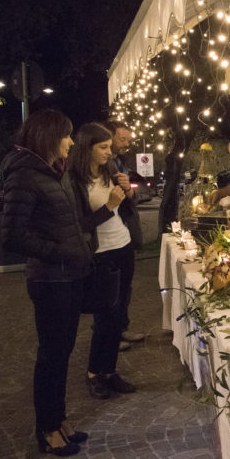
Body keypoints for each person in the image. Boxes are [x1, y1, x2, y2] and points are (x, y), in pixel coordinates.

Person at [0, 109, 93, 456]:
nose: (71, 142)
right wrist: (61, 253)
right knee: (51, 355)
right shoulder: (24, 174)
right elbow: (12, 235)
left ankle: (59, 419)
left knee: (63, 352)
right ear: (49, 137)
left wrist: (82, 247)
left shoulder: (55, 172)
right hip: (51, 280)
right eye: (66, 135)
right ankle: (47, 430)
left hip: (69, 278)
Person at [68, 122, 138, 400]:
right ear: (87, 148)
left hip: (123, 247)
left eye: (110, 146)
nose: (110, 152)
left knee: (119, 315)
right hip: (101, 254)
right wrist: (109, 206)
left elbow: (127, 207)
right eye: (104, 147)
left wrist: (127, 193)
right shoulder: (74, 182)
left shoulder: (110, 171)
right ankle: (94, 373)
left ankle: (110, 371)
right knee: (105, 316)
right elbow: (81, 226)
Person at [104, 120, 145, 349]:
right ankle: (112, 334)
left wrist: (129, 189)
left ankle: (122, 328)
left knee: (125, 285)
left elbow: (131, 197)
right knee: (113, 289)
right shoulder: (102, 165)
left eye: (128, 139)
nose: (127, 144)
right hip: (109, 235)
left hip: (124, 230)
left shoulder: (120, 162)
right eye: (123, 139)